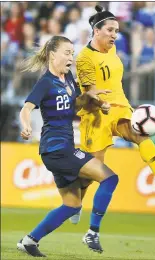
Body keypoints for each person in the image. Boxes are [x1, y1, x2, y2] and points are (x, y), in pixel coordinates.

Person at [17, 35, 119, 257]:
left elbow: (76, 104)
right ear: (53, 55)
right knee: (110, 178)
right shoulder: (45, 83)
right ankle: (92, 232)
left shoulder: (68, 78)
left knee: (72, 205)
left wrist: (95, 100)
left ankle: (28, 241)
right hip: (57, 148)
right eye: (66, 53)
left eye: (72, 53)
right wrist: (25, 127)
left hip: (58, 150)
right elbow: (26, 108)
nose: (71, 57)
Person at [73, 5, 155, 224]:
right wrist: (100, 103)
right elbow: (89, 94)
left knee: (140, 134)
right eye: (110, 30)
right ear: (96, 31)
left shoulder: (112, 48)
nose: (114, 35)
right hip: (96, 115)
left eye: (117, 31)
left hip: (120, 106)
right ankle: (74, 203)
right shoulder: (84, 58)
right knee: (92, 172)